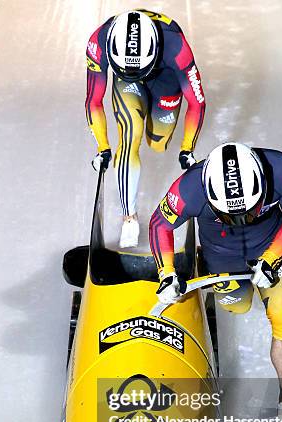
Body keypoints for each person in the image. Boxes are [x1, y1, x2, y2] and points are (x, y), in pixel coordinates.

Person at [149, 142, 282, 422]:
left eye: (248, 213)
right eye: (230, 215)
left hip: (273, 247)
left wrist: (271, 257)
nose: (239, 221)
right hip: (221, 255)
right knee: (236, 305)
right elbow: (159, 225)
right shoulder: (189, 189)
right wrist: (167, 273)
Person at [85, 9, 206, 248]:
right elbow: (93, 100)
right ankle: (128, 217)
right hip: (127, 86)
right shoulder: (98, 42)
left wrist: (186, 148)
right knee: (130, 134)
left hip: (166, 80)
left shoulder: (176, 47)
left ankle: (154, 120)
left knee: (158, 143)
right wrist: (103, 146)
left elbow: (197, 102)